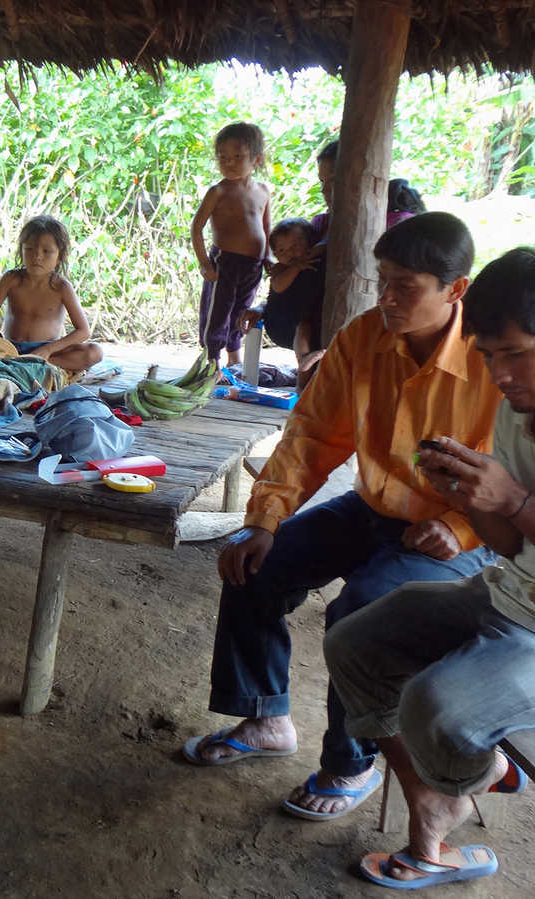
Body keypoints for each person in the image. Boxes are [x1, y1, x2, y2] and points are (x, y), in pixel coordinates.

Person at [181, 212, 504, 823]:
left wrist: (461, 528)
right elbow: (310, 436)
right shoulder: (362, 340)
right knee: (256, 562)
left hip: (459, 535)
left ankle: (350, 763)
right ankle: (266, 716)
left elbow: (517, 480)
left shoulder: (492, 360)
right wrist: (263, 519)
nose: (385, 297)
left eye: (405, 286)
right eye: (383, 279)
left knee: (361, 611)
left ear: (455, 290)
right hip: (375, 507)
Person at [325, 247, 535, 889]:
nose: (499, 374)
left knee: (435, 709)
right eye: (489, 355)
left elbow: (517, 514)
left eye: (516, 354)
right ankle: (448, 791)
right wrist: (472, 498)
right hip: (508, 595)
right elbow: (507, 544)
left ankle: (469, 778)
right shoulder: (515, 411)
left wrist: (516, 501)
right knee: (353, 640)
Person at [191, 122, 272, 367]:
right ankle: (212, 360)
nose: (229, 162)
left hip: (253, 264)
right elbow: (196, 227)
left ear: (256, 159)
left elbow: (266, 227)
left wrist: (268, 258)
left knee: (241, 310)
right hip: (224, 262)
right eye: (222, 157)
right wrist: (205, 262)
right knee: (217, 313)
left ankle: (234, 358)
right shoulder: (218, 192)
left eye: (238, 156)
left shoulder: (263, 191)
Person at [0, 215, 102, 374]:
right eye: (29, 249)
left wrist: (48, 350)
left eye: (46, 251)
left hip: (47, 351)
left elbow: (83, 331)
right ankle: (19, 363)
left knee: (94, 352)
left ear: (60, 256)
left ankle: (36, 363)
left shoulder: (62, 287)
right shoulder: (11, 279)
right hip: (9, 348)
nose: (37, 256)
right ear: (21, 250)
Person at [238, 217, 326, 382]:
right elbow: (278, 287)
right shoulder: (281, 270)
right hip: (281, 325)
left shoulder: (316, 263)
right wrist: (295, 267)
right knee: (302, 330)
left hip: (307, 325)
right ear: (276, 255)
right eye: (282, 250)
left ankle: (305, 374)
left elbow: (324, 246)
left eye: (295, 246)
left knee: (304, 329)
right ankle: (303, 376)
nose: (290, 253)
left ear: (310, 245)